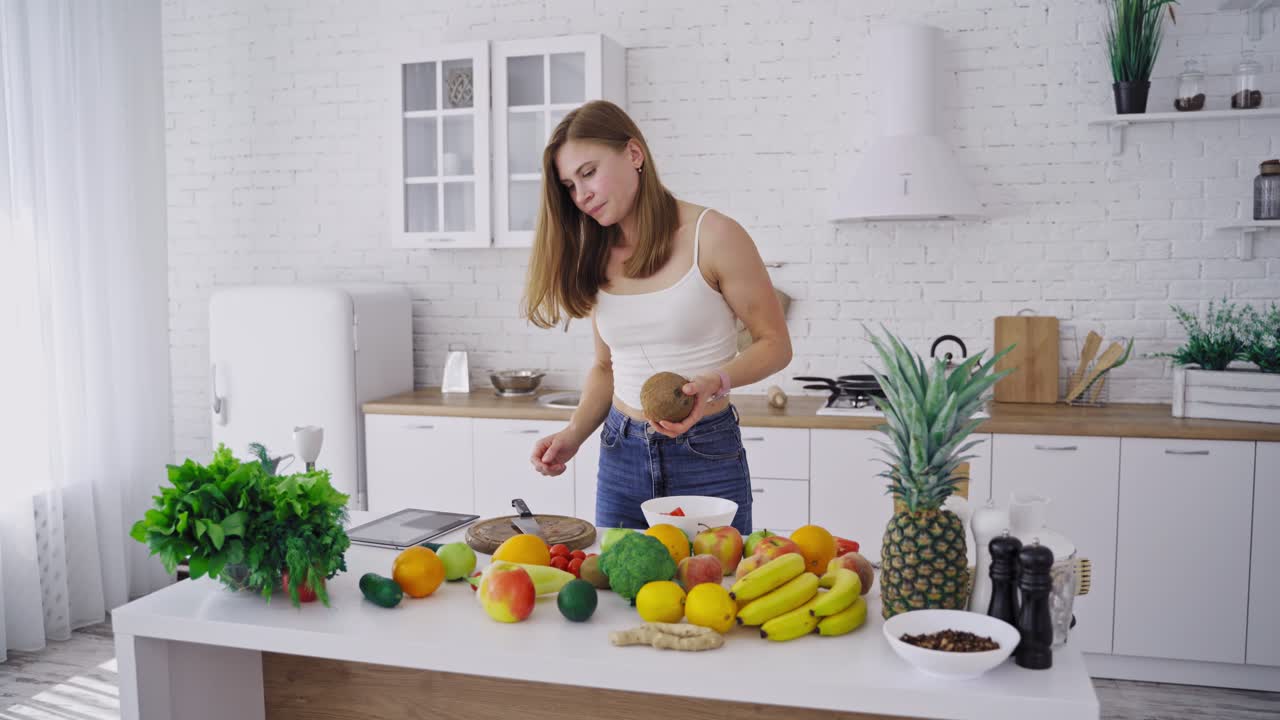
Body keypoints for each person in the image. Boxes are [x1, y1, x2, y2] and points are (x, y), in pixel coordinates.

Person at [522, 100, 791, 535]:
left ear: (634, 154)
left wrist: (714, 382)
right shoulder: (594, 254)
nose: (581, 194)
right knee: (619, 594)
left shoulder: (714, 235)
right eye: (569, 185)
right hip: (619, 452)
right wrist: (573, 434)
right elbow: (605, 367)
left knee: (713, 594)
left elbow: (775, 344)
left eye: (588, 172)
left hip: (705, 451)